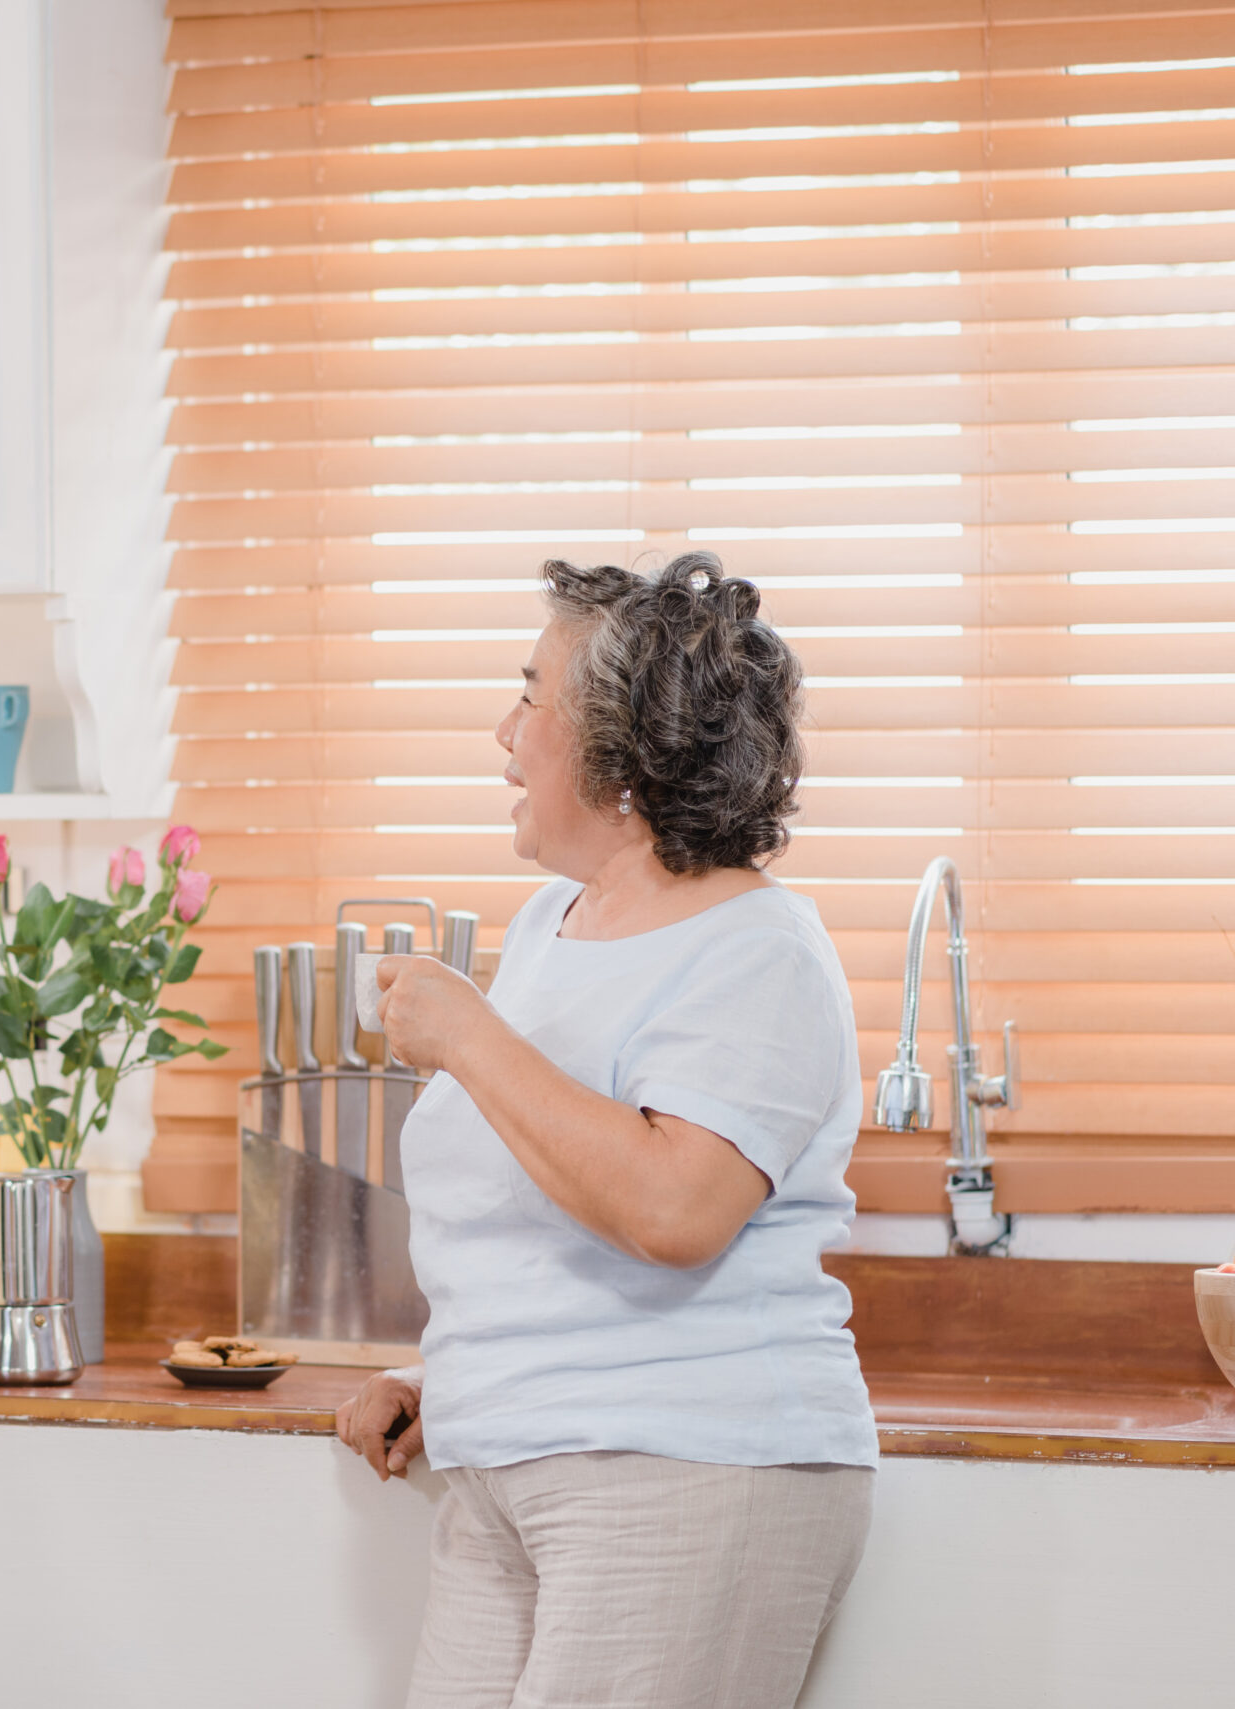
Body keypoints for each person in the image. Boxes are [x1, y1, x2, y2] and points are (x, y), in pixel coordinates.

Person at [336, 552, 876, 1709]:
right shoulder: (552, 925)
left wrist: (469, 1036)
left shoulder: (757, 951)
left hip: (689, 1464)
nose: (503, 730)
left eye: (532, 695)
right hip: (515, 1464)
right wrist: (463, 1369)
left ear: (625, 750)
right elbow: (542, 1193)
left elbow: (672, 1207)